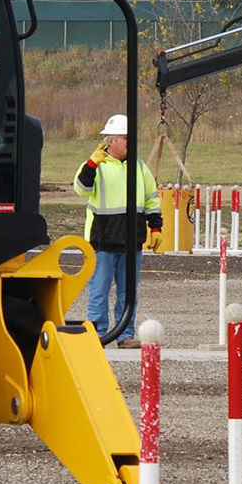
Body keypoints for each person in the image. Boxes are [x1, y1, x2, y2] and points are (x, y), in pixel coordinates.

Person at [73, 113, 161, 348]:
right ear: (111, 141)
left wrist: (155, 227)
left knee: (128, 293)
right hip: (102, 242)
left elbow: (152, 200)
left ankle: (125, 335)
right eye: (125, 138)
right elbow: (81, 189)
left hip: (131, 241)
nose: (130, 143)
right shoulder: (95, 166)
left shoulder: (139, 167)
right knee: (99, 290)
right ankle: (98, 334)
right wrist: (92, 165)